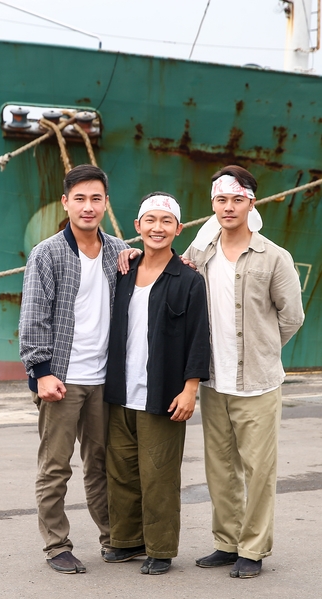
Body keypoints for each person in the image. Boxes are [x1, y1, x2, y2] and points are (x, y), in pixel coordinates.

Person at [183, 165, 305, 579]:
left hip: (257, 383)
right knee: (220, 469)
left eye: (237, 199)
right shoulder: (202, 252)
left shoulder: (274, 257)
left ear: (252, 203)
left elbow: (292, 317)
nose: (229, 207)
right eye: (221, 200)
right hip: (214, 380)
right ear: (213, 204)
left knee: (258, 471)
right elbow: (170, 273)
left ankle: (252, 549)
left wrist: (263, 349)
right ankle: (227, 542)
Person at [19, 164, 137, 574]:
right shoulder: (47, 253)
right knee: (55, 467)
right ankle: (57, 545)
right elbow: (33, 317)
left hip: (104, 379)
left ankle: (113, 537)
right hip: (62, 379)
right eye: (80, 198)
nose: (88, 207)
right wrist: (41, 372)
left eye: (96, 199)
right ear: (66, 202)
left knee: (103, 464)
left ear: (106, 203)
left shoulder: (119, 251)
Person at [103, 192, 210, 575]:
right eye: (150, 220)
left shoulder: (189, 279)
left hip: (162, 393)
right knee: (121, 471)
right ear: (138, 227)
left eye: (166, 222)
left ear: (178, 229)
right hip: (119, 391)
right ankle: (126, 540)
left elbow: (199, 337)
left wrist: (190, 388)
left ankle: (161, 549)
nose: (157, 228)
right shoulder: (123, 273)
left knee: (159, 475)